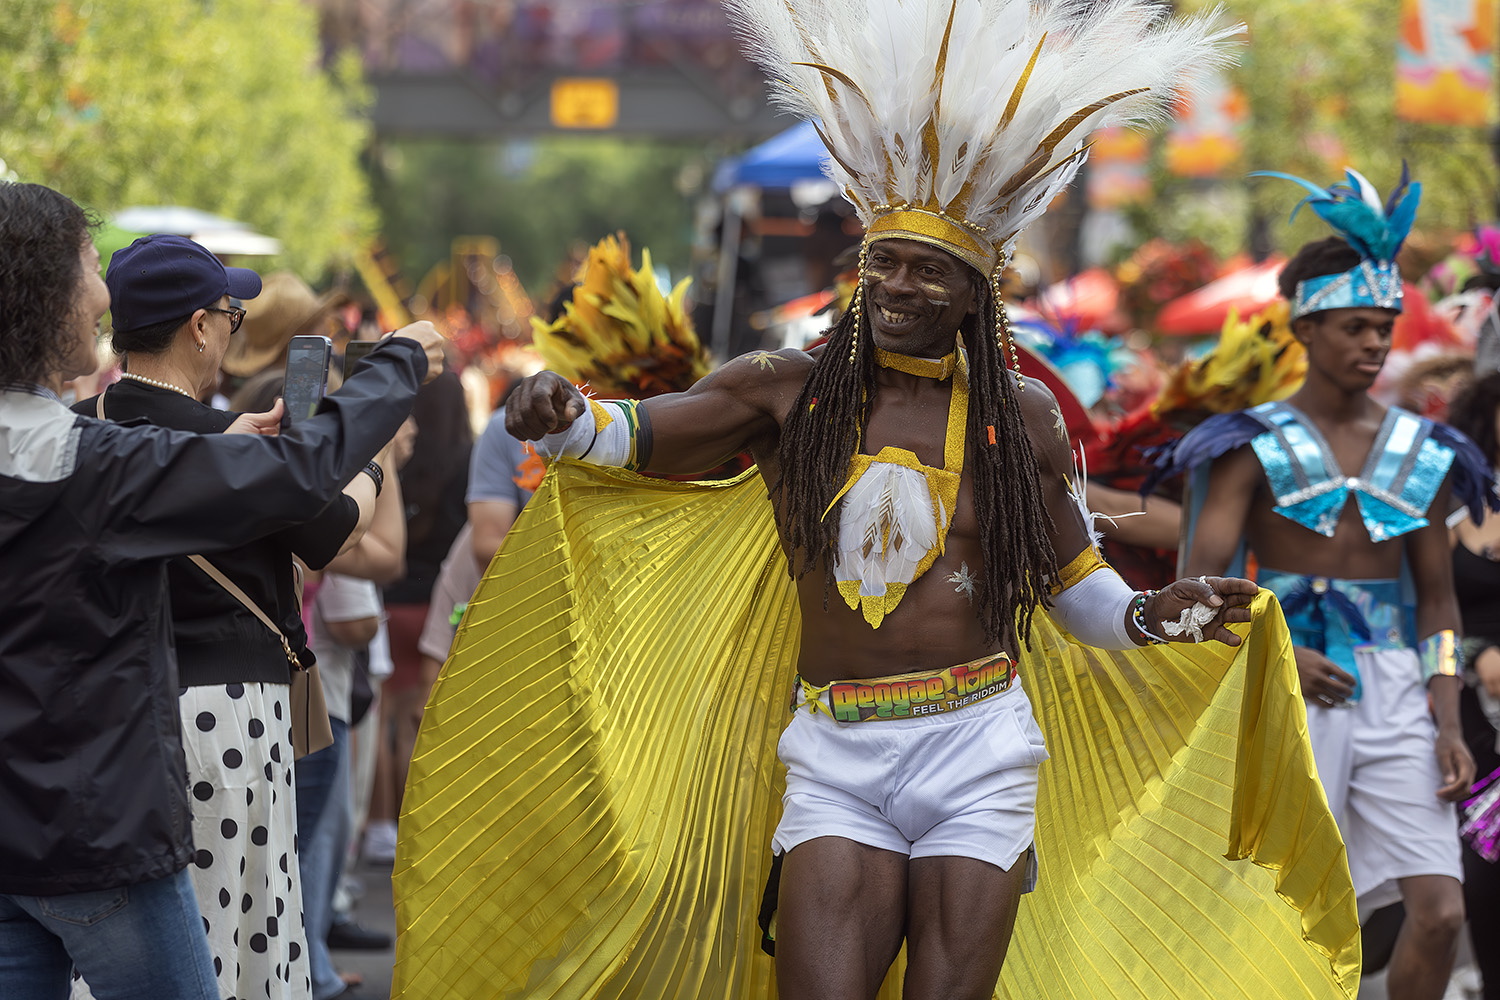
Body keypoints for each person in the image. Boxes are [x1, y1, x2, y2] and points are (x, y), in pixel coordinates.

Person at [393, 5, 1363, 999]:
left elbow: (1073, 584)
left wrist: (1152, 615)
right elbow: (631, 439)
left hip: (979, 747)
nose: (898, 284)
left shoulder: (1022, 414)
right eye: (884, 262)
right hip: (835, 749)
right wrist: (560, 419)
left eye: (928, 269)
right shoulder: (783, 387)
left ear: (975, 293)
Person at [0, 181, 444, 999]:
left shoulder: (86, 440)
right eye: (88, 269)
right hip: (98, 827)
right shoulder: (90, 460)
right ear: (38, 295)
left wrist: (219, 451)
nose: (103, 296)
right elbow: (308, 482)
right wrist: (401, 364)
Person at [1163, 167, 1487, 1000]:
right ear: (1305, 328)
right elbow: (1196, 587)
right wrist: (1275, 660)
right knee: (1277, 908)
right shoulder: (1243, 443)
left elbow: (1438, 601)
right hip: (1279, 684)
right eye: (1354, 327)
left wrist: (1448, 719)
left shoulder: (1427, 449)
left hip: (1394, 690)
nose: (1376, 344)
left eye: (1384, 328)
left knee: (1441, 910)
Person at [67, 234, 390, 999]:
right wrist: (366, 462)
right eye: (230, 313)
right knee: (234, 942)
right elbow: (325, 531)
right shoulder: (222, 444)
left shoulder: (78, 430)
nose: (233, 329)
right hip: (222, 721)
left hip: (105, 718)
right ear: (199, 327)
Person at [1443, 373, 1500, 1000]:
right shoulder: (1454, 500)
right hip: (1470, 712)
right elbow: (1425, 610)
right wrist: (1477, 653)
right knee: (1484, 871)